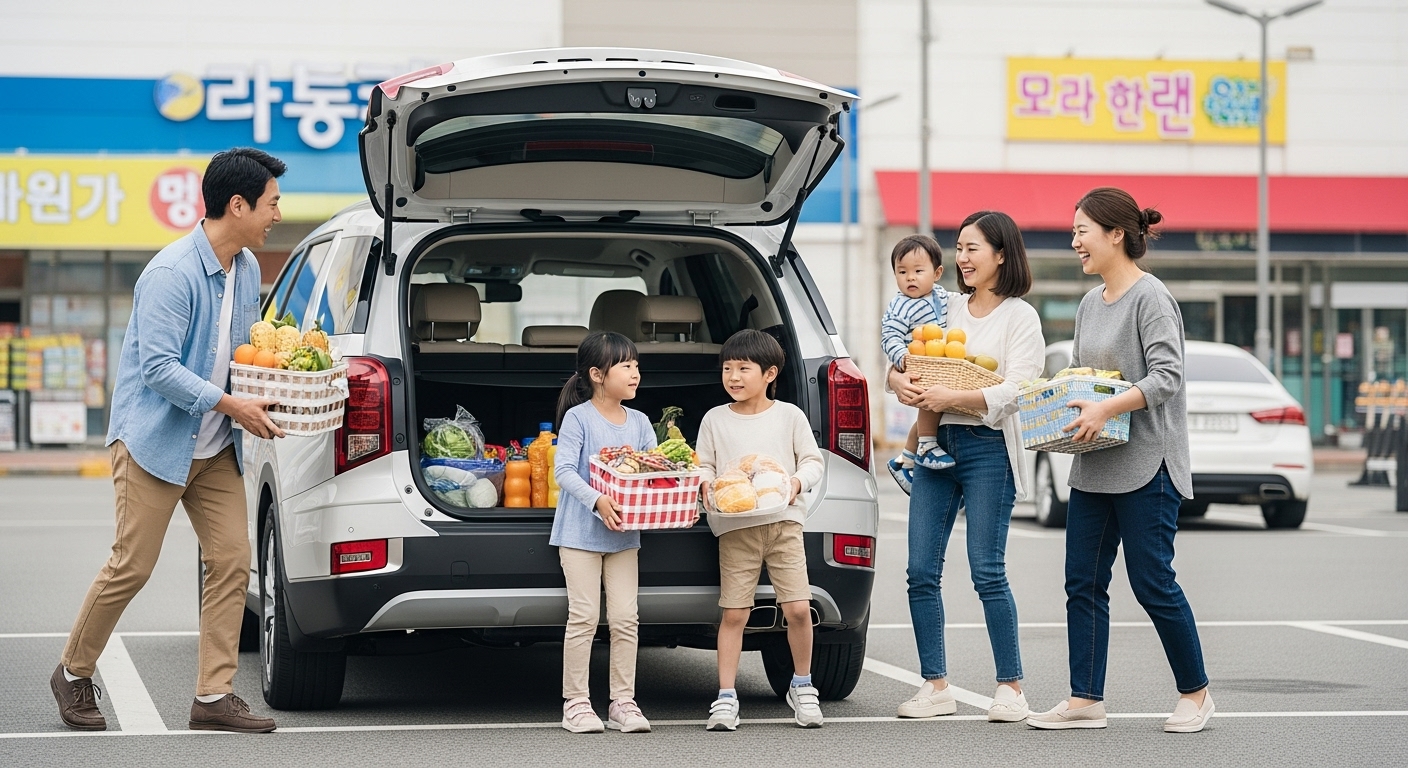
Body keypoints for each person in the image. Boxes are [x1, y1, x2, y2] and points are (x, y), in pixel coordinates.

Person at [52, 148, 287, 733]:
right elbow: (157, 367)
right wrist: (232, 404)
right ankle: (73, 672)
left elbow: (236, 354)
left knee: (232, 560)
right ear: (238, 205)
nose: (277, 214)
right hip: (154, 442)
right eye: (271, 203)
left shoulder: (249, 269)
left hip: (213, 450)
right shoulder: (170, 273)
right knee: (132, 565)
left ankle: (213, 696)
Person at [1027, 188, 1213, 733]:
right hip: (1097, 462)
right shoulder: (1090, 303)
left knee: (1152, 580)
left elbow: (1167, 377)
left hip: (1148, 463)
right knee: (1081, 581)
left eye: (1082, 230)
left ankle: (1196, 694)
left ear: (1115, 234)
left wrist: (1106, 404)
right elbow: (1089, 378)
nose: (1074, 240)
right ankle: (1085, 699)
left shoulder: (1151, 298)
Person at [888, 211, 1044, 723]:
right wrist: (896, 380)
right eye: (958, 247)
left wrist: (955, 393)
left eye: (973, 247)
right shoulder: (945, 304)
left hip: (987, 448)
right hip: (937, 443)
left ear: (1002, 254)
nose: (962, 257)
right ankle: (935, 686)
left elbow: (1020, 388)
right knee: (918, 572)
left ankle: (1011, 687)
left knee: (986, 570)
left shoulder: (1020, 317)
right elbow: (906, 348)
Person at [696, 329, 826, 731]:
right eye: (727, 368)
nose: (733, 377)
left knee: (799, 609)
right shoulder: (715, 419)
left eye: (743, 368)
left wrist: (794, 485)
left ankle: (802, 685)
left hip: (783, 523)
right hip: (735, 529)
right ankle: (726, 696)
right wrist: (705, 485)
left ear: (770, 373)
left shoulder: (789, 416)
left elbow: (812, 462)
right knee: (734, 613)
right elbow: (704, 466)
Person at [551, 331, 655, 734]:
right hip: (579, 535)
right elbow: (563, 472)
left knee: (627, 618)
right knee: (585, 616)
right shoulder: (579, 418)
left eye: (636, 365)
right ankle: (576, 703)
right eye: (625, 366)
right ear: (597, 374)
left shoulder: (642, 422)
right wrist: (597, 501)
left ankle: (622, 702)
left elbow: (651, 470)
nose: (635, 373)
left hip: (624, 537)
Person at [881, 234, 951, 495]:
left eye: (918, 271)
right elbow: (889, 335)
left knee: (932, 411)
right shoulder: (901, 305)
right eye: (902, 271)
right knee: (932, 407)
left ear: (937, 273)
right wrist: (904, 361)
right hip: (918, 364)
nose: (910, 278)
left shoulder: (943, 296)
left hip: (938, 362)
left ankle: (905, 459)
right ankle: (927, 446)